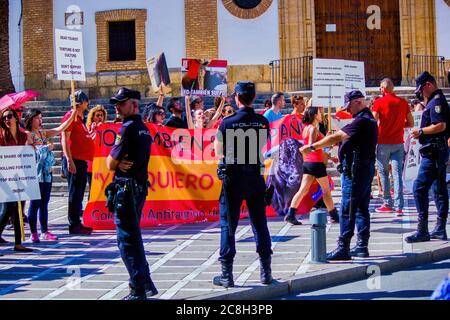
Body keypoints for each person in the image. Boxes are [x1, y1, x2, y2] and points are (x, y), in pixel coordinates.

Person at [300, 90, 378, 260]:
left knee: (347, 210)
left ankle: (344, 248)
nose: (347, 110)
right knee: (361, 209)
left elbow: (337, 137)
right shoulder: (368, 119)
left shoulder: (362, 120)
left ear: (358, 102)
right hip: (363, 169)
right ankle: (362, 246)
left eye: (349, 106)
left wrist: (312, 147)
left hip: (356, 172)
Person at [213, 81, 273, 288]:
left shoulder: (227, 123)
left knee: (228, 225)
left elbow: (218, 152)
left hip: (233, 178)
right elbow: (263, 145)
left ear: (237, 98)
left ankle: (227, 274)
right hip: (255, 177)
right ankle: (266, 272)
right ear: (253, 97)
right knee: (260, 224)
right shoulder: (263, 122)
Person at [106, 87, 157, 300]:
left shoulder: (126, 128)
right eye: (116, 103)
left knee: (126, 239)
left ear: (134, 104)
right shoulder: (144, 128)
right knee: (134, 237)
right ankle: (144, 283)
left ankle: (138, 288)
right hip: (138, 188)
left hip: (126, 189)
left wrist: (117, 163)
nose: (117, 106)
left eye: (122, 102)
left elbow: (110, 163)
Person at [406, 72, 450, 243]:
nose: (420, 93)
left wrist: (421, 131)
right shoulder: (434, 100)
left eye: (421, 89)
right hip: (436, 151)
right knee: (438, 189)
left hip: (434, 152)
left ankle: (422, 229)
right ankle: (439, 228)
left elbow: (441, 125)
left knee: (419, 188)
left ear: (429, 85)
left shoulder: (437, 101)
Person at [24, 109, 77, 243]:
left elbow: (60, 128)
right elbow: (30, 152)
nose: (40, 121)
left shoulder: (43, 133)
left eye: (41, 118)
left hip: (47, 172)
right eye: (37, 118)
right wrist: (46, 148)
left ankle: (44, 230)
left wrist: (72, 117)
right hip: (35, 173)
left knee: (44, 203)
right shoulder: (27, 134)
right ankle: (33, 233)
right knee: (35, 203)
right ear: (30, 119)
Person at [285, 107, 339, 225]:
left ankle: (291, 213)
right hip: (316, 163)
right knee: (326, 191)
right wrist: (326, 141)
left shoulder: (306, 128)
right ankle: (334, 215)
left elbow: (320, 146)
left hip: (308, 163)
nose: (321, 115)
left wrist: (328, 143)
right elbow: (311, 146)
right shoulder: (314, 129)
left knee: (303, 190)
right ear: (315, 115)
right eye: (319, 113)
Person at [372, 78, 414, 216]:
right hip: (398, 143)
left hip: (383, 142)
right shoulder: (403, 102)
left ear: (383, 88)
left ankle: (387, 203)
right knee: (397, 174)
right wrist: (399, 126)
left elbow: (373, 121)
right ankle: (399, 206)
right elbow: (411, 123)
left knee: (383, 173)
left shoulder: (378, 102)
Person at [60, 90, 95, 235]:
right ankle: (74, 224)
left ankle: (77, 222)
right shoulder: (71, 116)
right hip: (74, 159)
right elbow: (64, 138)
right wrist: (69, 159)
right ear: (80, 102)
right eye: (86, 101)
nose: (88, 103)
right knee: (75, 193)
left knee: (79, 192)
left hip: (81, 160)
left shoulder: (80, 118)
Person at [0, 107, 33, 252]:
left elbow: (30, 149)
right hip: (4, 177)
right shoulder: (1, 136)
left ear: (16, 118)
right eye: (4, 117)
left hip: (19, 176)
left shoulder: (22, 135)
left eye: (9, 116)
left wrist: (30, 147)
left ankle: (18, 243)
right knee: (8, 208)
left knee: (18, 208)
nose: (7, 119)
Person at [86, 105, 108, 192]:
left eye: (101, 115)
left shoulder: (107, 128)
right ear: (93, 117)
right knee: (93, 190)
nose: (100, 117)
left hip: (103, 163)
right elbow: (90, 143)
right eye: (97, 115)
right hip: (91, 165)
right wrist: (96, 131)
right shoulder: (88, 129)